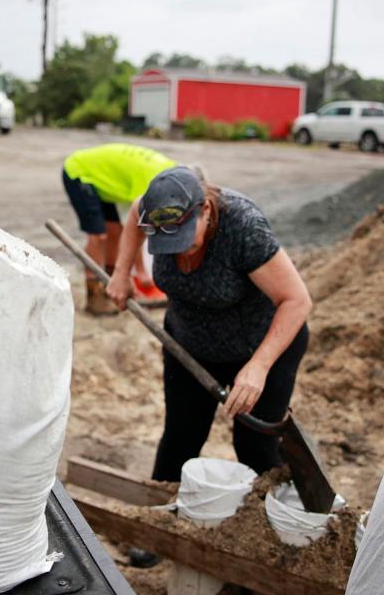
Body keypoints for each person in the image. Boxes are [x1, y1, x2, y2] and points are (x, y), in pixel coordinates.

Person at [107, 166, 312, 479]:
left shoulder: (244, 227)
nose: (178, 252)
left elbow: (297, 301)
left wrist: (258, 368)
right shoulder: (155, 209)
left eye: (186, 242)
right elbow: (136, 211)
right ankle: (161, 516)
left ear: (205, 210)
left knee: (254, 447)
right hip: (189, 343)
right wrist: (121, 273)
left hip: (260, 344)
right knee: (179, 439)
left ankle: (272, 518)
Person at [62, 143, 176, 314]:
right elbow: (137, 227)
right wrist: (142, 272)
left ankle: (110, 287)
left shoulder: (172, 174)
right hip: (79, 172)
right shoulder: (151, 182)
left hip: (106, 181)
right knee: (98, 236)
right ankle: (94, 298)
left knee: (114, 232)